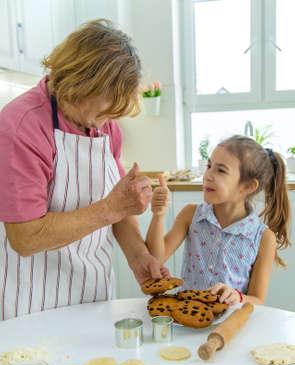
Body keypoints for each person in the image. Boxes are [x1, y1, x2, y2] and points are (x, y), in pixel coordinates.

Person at [0, 19, 170, 320]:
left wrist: (138, 256)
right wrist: (110, 208)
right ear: (79, 83)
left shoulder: (106, 128)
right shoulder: (21, 126)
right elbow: (25, 238)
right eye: (102, 111)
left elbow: (119, 211)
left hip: (94, 295)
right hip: (32, 303)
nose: (104, 123)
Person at [146, 135, 290, 306]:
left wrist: (238, 296)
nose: (208, 175)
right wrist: (158, 214)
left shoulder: (263, 237)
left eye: (221, 170)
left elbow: (257, 300)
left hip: (229, 326)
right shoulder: (191, 215)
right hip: (186, 319)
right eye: (209, 166)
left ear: (248, 186)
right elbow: (155, 258)